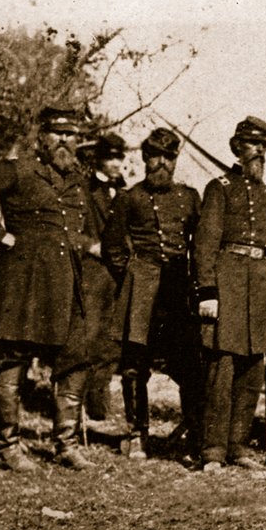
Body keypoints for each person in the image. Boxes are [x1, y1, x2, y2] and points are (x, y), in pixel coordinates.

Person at [0, 104, 96, 471]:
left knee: (76, 357)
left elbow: (69, 230)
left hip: (65, 281)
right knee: (12, 361)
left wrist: (85, 245)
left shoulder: (78, 178)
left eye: (71, 135)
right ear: (42, 137)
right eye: (57, 133)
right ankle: (8, 446)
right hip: (23, 280)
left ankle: (65, 444)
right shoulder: (16, 168)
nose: (64, 140)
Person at [193, 116, 266, 471]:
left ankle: (238, 446)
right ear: (237, 148)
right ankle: (213, 451)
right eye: (254, 145)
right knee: (222, 369)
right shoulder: (219, 188)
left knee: (251, 370)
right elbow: (205, 244)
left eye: (264, 146)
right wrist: (208, 291)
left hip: (260, 284)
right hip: (229, 282)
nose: (260, 153)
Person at [102, 127, 203, 460]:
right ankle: (137, 432)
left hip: (176, 290)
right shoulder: (130, 199)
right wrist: (132, 276)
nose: (162, 163)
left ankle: (193, 431)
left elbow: (199, 246)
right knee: (134, 367)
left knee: (189, 364)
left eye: (169, 157)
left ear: (175, 160)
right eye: (155, 156)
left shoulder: (189, 197)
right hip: (141, 291)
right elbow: (113, 247)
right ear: (145, 158)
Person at [81, 132, 127, 423]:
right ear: (98, 159)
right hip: (92, 272)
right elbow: (70, 228)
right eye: (110, 157)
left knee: (112, 342)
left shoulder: (124, 192)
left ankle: (100, 407)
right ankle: (84, 404)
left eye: (119, 157)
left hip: (117, 274)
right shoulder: (84, 190)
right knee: (90, 338)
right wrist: (90, 245)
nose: (115, 163)